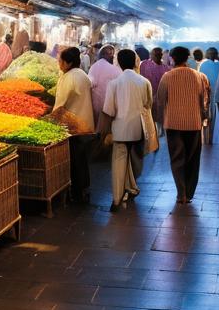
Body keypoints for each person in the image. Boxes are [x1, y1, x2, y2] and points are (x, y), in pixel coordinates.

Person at [157, 46, 209, 204]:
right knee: (193, 159)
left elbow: (160, 100)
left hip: (173, 124)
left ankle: (181, 193)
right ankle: (190, 192)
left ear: (172, 58)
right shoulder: (200, 77)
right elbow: (204, 102)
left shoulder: (167, 77)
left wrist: (161, 120)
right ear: (188, 58)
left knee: (177, 158)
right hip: (193, 124)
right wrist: (204, 119)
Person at [103, 49, 152, 211]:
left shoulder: (114, 83)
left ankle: (116, 198)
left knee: (119, 161)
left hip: (120, 129)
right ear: (135, 62)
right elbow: (147, 104)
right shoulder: (144, 82)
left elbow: (109, 110)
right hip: (138, 129)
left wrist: (106, 131)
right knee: (130, 160)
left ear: (119, 63)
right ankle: (132, 188)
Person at [54, 46, 96, 203]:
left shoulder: (68, 77)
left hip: (73, 125)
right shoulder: (83, 75)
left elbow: (60, 104)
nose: (59, 64)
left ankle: (77, 193)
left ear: (68, 63)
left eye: (61, 61)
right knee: (82, 158)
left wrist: (50, 120)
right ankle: (84, 188)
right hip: (85, 123)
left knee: (75, 159)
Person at [140, 47, 171, 131]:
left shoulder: (166, 68)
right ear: (151, 55)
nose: (157, 56)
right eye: (155, 54)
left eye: (159, 54)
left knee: (160, 123)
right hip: (147, 98)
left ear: (161, 55)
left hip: (160, 100)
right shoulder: (144, 65)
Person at [89, 44, 120, 124]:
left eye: (113, 54)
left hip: (95, 106)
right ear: (103, 54)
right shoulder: (115, 69)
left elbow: (90, 84)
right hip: (108, 106)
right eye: (110, 54)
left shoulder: (94, 67)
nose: (112, 56)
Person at [198, 48, 219, 145]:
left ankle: (207, 139)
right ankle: (211, 139)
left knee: (207, 117)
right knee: (213, 117)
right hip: (214, 95)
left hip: (208, 94)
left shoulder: (204, 64)